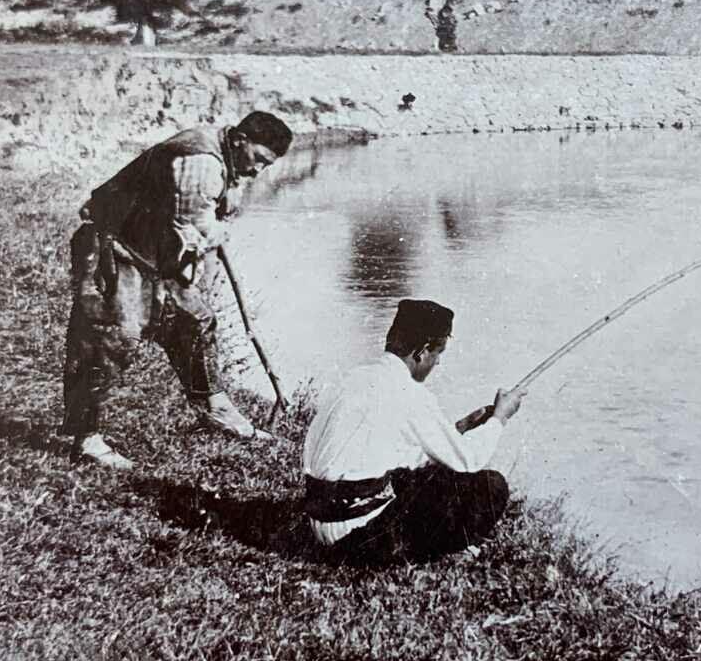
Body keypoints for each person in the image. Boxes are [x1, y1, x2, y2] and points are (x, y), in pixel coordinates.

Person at [61, 111, 294, 470]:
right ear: (240, 140)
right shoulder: (200, 161)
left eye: (267, 165)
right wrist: (217, 232)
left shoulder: (228, 160)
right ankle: (86, 437)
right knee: (113, 336)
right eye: (259, 160)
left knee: (195, 320)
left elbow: (206, 221)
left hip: (156, 250)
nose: (259, 170)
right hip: (114, 243)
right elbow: (194, 225)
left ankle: (214, 408)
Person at [302, 299, 525, 563]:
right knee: (491, 486)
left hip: (319, 523)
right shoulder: (409, 394)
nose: (438, 363)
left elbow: (396, 452)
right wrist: (500, 418)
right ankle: (443, 549)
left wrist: (460, 429)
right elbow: (468, 461)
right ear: (422, 351)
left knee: (426, 474)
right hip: (354, 536)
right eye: (438, 353)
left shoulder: (356, 378)